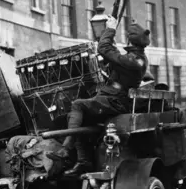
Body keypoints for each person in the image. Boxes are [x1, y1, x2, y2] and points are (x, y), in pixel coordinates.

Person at [47, 16, 150, 176]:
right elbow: (111, 53)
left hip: (116, 102)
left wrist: (110, 29)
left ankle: (65, 150)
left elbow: (104, 49)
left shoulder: (134, 61)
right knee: (77, 118)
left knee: (78, 105)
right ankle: (84, 162)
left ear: (131, 42)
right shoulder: (134, 58)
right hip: (111, 99)